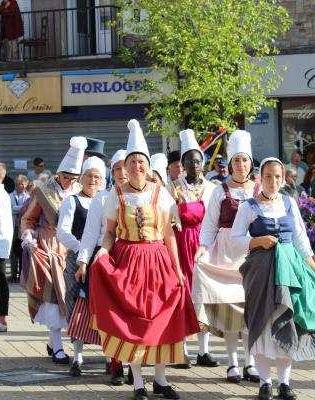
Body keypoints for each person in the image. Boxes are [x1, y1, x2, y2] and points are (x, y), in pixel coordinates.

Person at [90, 120, 200, 400]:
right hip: (128, 261)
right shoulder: (115, 195)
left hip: (158, 260)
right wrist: (102, 252)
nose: (137, 166)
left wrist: (177, 269)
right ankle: (138, 382)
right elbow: (109, 234)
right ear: (124, 167)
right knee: (134, 323)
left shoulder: (161, 193)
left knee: (162, 320)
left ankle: (160, 379)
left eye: (141, 161)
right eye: (132, 162)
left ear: (148, 166)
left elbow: (169, 234)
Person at [231, 157, 315, 400]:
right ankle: (265, 382)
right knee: (262, 323)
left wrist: (313, 267)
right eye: (268, 176)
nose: (273, 181)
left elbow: (300, 238)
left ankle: (284, 383)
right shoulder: (248, 207)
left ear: (283, 178)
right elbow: (234, 240)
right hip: (260, 272)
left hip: (289, 270)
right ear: (260, 178)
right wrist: (258, 241)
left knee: (287, 321)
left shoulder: (289, 203)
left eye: (277, 176)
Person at [193, 130, 259, 384]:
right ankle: (232, 363)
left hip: (252, 254)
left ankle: (250, 363)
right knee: (231, 312)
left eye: (245, 160)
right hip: (225, 256)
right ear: (230, 164)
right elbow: (210, 225)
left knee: (251, 311)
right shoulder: (219, 191)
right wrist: (203, 247)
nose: (241, 165)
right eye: (237, 161)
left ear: (250, 163)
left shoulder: (259, 190)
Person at [20, 137, 86, 364]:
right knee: (52, 297)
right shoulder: (43, 191)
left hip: (72, 249)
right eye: (66, 177)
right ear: (59, 174)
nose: (69, 182)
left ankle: (53, 342)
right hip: (48, 248)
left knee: (70, 296)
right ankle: (57, 346)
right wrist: (29, 237)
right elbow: (28, 219)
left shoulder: (81, 191)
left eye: (73, 178)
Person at [76, 149, 129, 385]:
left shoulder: (144, 196)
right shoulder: (102, 198)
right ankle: (115, 364)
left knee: (132, 313)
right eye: (116, 168)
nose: (122, 172)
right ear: (111, 172)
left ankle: (133, 363)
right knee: (110, 314)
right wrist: (83, 262)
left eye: (125, 167)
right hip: (105, 258)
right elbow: (90, 234)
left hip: (132, 257)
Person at [167, 129, 218, 369]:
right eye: (189, 161)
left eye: (197, 161)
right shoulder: (173, 188)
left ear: (203, 163)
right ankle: (182, 350)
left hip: (205, 244)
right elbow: (167, 218)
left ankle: (203, 351)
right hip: (181, 243)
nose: (194, 165)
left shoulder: (212, 188)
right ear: (183, 164)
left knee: (204, 296)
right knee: (183, 294)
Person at [57, 156, 105, 377]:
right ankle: (77, 357)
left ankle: (109, 357)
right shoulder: (72, 201)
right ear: (82, 178)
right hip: (77, 259)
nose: (92, 180)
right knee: (77, 305)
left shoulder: (105, 200)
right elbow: (63, 232)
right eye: (89, 176)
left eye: (97, 177)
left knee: (103, 306)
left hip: (102, 260)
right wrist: (82, 248)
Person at [0, 163, 13, 332]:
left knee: (1, 281)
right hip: (1, 242)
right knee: (1, 281)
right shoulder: (3, 193)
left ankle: (2, 319)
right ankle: (1, 319)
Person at [9, 174, 30, 282]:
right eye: (18, 184)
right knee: (13, 251)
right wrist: (22, 208)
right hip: (13, 226)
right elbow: (10, 209)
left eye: (22, 184)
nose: (20, 186)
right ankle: (13, 274)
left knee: (23, 250)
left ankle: (22, 274)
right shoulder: (10, 196)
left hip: (24, 228)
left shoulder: (28, 196)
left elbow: (27, 209)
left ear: (26, 184)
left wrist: (17, 208)